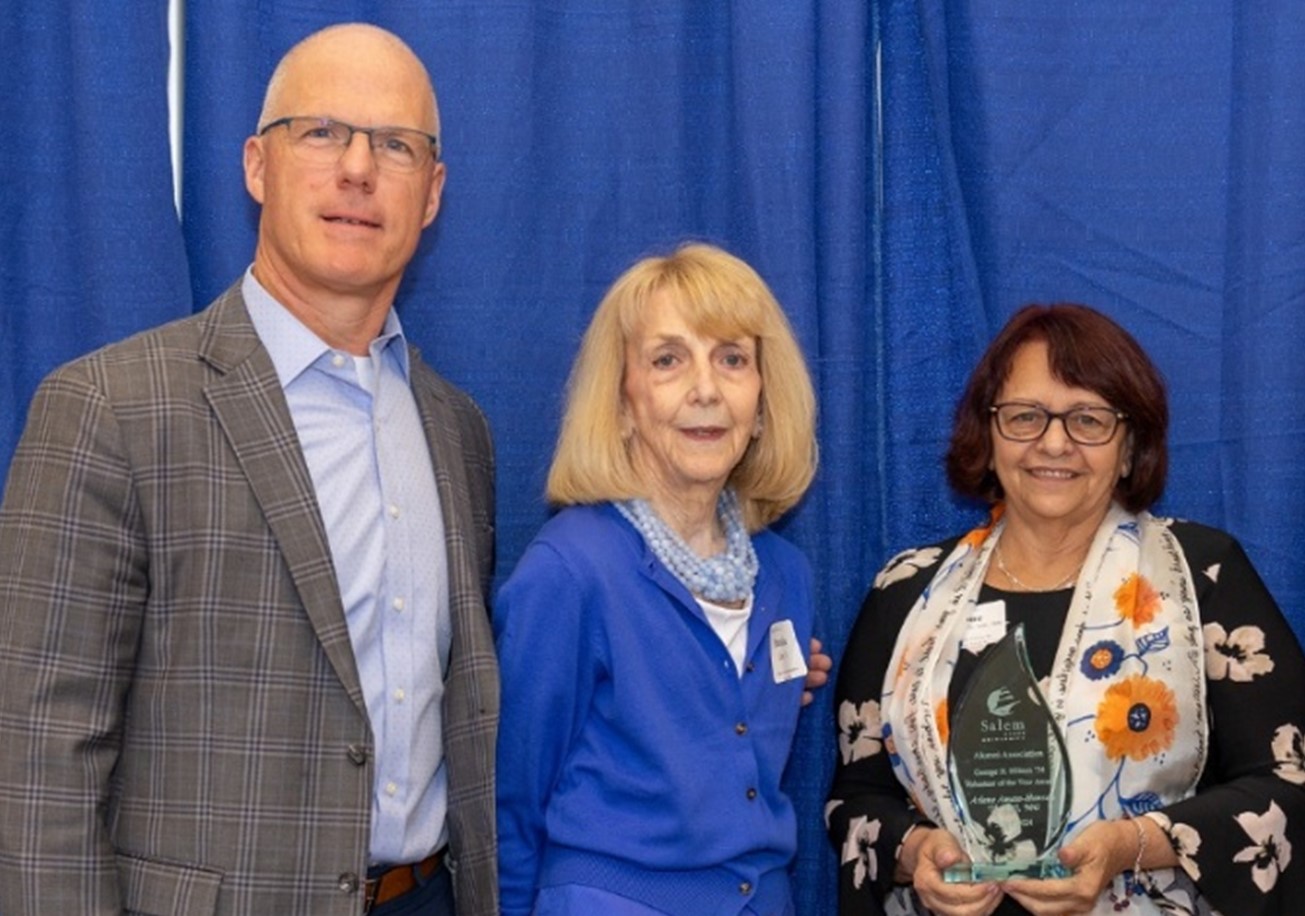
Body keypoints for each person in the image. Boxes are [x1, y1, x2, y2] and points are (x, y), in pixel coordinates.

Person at [0, 24, 497, 916]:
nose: (357, 169)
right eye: (321, 133)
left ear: (432, 195)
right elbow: (34, 758)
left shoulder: (457, 432)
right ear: (256, 167)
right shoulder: (109, 408)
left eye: (396, 145)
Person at [827, 303, 1305, 916]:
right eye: (1025, 417)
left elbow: (1286, 781)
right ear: (988, 435)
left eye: (1088, 420)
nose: (1054, 442)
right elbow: (855, 799)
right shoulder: (905, 591)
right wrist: (916, 851)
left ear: (1130, 446)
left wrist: (1130, 846)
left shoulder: (1202, 575)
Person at [495, 243, 823, 915]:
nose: (705, 389)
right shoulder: (569, 572)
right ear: (621, 403)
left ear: (762, 403)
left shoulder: (787, 576)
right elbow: (511, 802)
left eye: (731, 358)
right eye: (668, 360)